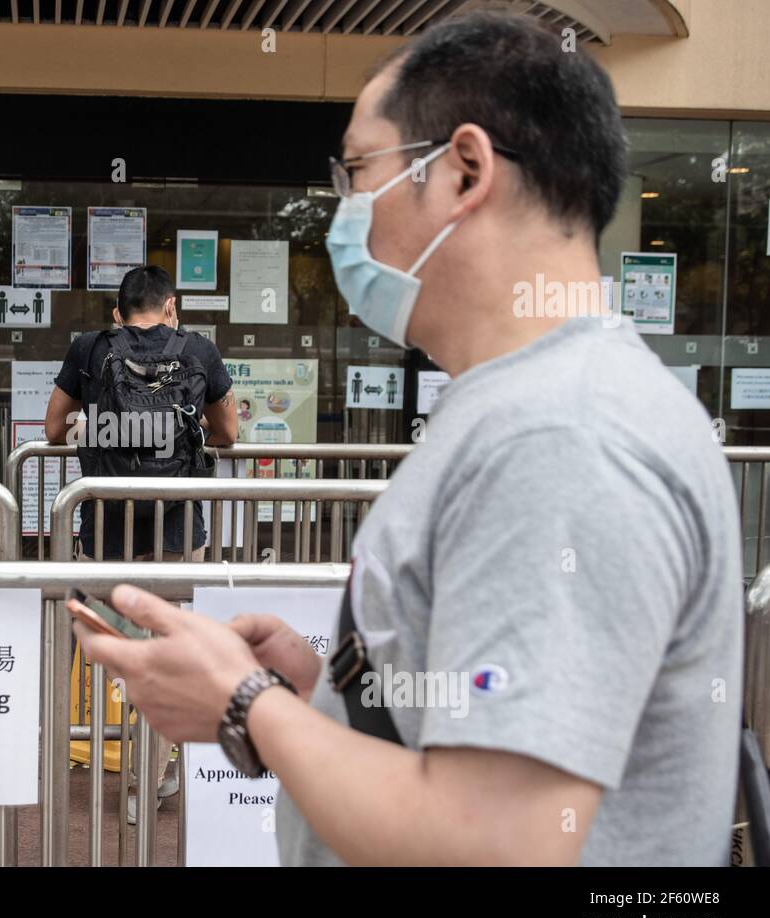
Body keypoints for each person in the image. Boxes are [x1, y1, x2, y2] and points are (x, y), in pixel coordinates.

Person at [74, 10, 743, 865]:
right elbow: (469, 732)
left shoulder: (560, 439)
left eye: (357, 172)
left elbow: (500, 840)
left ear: (465, 170)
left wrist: (245, 706)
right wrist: (326, 697)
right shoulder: (531, 404)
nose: (344, 212)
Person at [45, 265, 237, 561]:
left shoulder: (89, 348)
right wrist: (186, 425)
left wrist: (106, 428)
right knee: (169, 608)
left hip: (104, 529)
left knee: (100, 608)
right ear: (171, 305)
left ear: (117, 314)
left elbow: (55, 429)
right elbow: (227, 432)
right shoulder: (199, 350)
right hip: (179, 529)